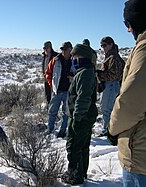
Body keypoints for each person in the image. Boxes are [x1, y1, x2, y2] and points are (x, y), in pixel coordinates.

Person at [108, 0, 146, 186]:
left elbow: (132, 101)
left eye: (128, 24)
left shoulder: (144, 49)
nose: (128, 30)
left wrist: (113, 128)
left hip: (140, 154)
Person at [62, 44, 98, 185]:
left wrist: (77, 117)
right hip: (84, 116)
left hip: (81, 117)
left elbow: (83, 98)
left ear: (84, 58)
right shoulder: (86, 72)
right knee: (82, 145)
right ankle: (80, 173)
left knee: (74, 146)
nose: (74, 60)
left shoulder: (85, 73)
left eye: (76, 57)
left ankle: (75, 175)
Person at [96, 36, 125, 136]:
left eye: (104, 45)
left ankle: (107, 131)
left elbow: (114, 75)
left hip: (111, 85)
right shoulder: (111, 56)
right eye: (101, 46)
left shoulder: (113, 57)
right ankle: (110, 130)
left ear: (111, 45)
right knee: (109, 109)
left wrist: (100, 74)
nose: (103, 48)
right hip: (112, 85)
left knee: (106, 109)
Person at [45, 41, 73, 138]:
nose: (64, 51)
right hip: (56, 91)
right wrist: (52, 85)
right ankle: (50, 129)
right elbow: (48, 73)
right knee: (52, 111)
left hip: (68, 91)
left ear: (70, 49)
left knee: (66, 113)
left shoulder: (74, 61)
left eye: (66, 49)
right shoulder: (55, 60)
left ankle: (62, 131)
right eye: (62, 49)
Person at [42, 41, 58, 105]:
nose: (45, 49)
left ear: (50, 48)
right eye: (44, 48)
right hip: (46, 79)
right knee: (47, 96)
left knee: (54, 97)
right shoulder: (44, 56)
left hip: (53, 79)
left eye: (47, 48)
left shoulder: (56, 56)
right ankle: (49, 110)